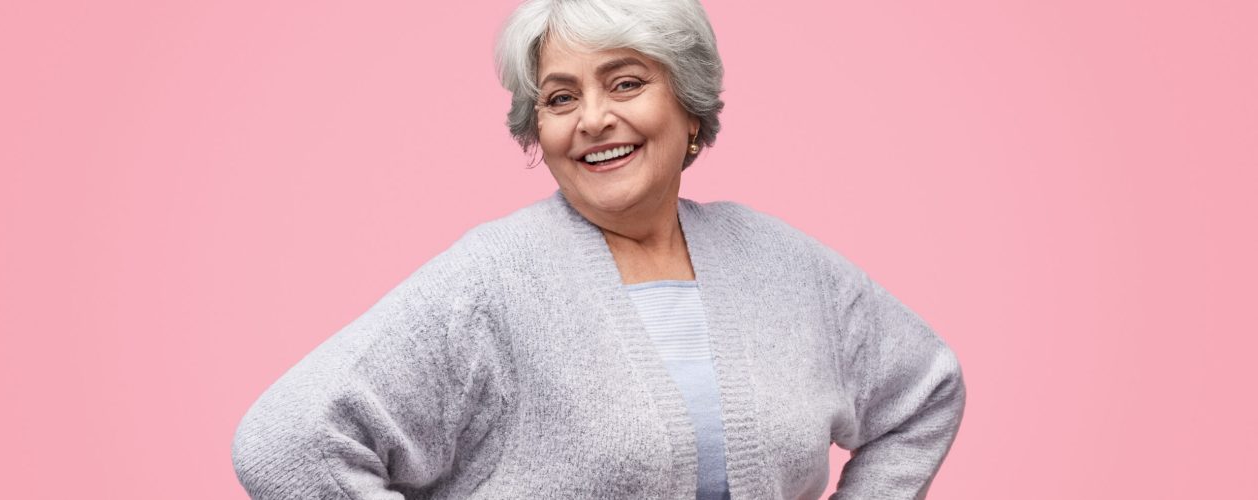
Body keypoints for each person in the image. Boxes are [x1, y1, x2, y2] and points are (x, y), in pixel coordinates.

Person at [231, 0, 967, 498]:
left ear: (687, 104)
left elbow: (924, 390)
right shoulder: (492, 280)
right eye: (559, 98)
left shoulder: (781, 263)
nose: (592, 119)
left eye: (625, 82)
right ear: (536, 128)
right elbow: (286, 445)